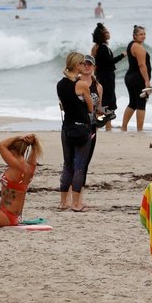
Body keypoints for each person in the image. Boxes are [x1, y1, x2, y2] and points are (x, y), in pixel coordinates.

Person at [57, 52, 94, 212]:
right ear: (77, 65)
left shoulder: (60, 84)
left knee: (67, 165)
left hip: (66, 127)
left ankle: (63, 202)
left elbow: (64, 106)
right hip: (81, 127)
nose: (84, 67)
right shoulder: (82, 85)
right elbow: (90, 107)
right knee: (79, 165)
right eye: (82, 64)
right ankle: (76, 203)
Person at [91, 23, 124, 130]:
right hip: (106, 77)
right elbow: (109, 62)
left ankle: (106, 125)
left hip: (103, 75)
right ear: (102, 35)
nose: (109, 33)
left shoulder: (98, 47)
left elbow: (96, 63)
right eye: (106, 32)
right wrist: (122, 55)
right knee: (106, 101)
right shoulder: (102, 48)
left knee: (105, 100)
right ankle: (104, 126)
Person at [121, 25, 152, 132]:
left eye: (144, 34)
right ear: (134, 35)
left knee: (133, 103)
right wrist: (147, 81)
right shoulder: (138, 47)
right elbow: (142, 65)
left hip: (130, 77)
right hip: (137, 78)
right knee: (141, 103)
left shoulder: (131, 45)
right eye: (140, 34)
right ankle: (140, 130)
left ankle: (124, 127)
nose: (143, 36)